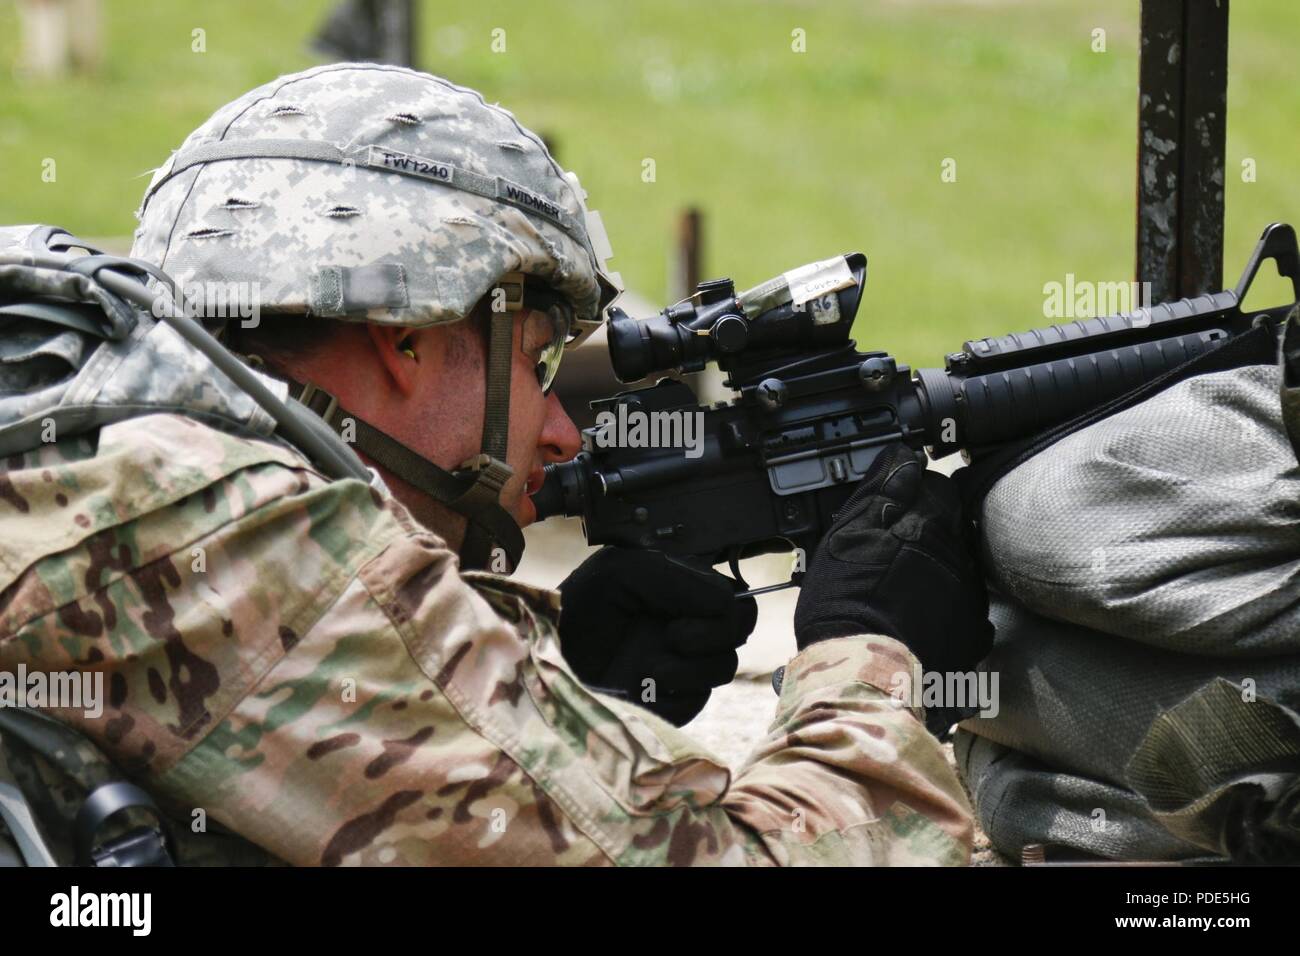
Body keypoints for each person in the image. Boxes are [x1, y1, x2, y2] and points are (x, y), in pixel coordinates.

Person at [0, 63, 991, 865]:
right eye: (536, 362)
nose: (559, 430)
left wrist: (544, 672)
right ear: (410, 338)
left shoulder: (101, 452)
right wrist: (867, 659)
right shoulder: (238, 529)